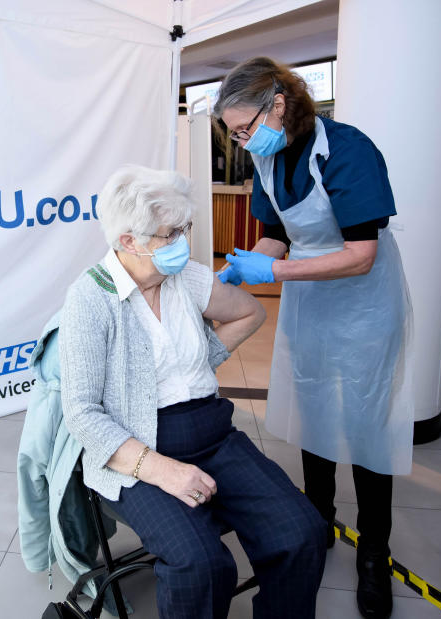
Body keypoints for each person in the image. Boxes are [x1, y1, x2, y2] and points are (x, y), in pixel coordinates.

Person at [59, 164, 326, 619]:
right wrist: (164, 471)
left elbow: (249, 315)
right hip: (136, 450)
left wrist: (204, 356)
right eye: (170, 234)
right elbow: (82, 413)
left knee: (302, 531)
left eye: (185, 228)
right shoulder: (91, 298)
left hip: (213, 434)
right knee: (200, 563)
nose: (182, 242)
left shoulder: (190, 278)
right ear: (128, 241)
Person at [213, 57, 414, 619]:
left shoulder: (346, 149)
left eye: (244, 128)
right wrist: (247, 264)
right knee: (315, 406)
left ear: (277, 104)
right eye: (233, 134)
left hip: (365, 301)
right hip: (311, 300)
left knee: (367, 420)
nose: (242, 141)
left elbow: (360, 254)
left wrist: (272, 273)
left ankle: (375, 552)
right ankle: (317, 521)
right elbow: (278, 232)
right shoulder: (267, 157)